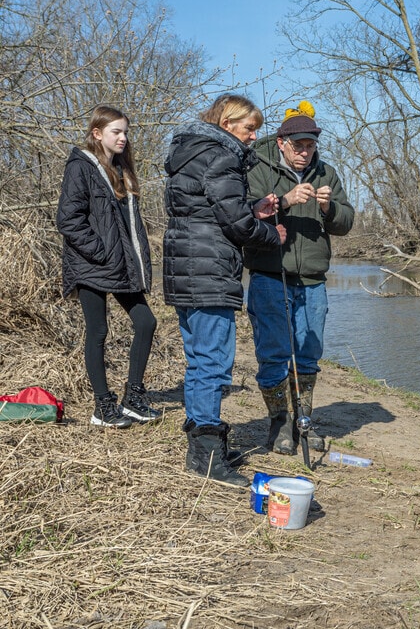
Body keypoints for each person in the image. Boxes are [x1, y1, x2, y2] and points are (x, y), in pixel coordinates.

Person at [162, 94, 286, 487]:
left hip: (186, 267)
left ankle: (205, 443)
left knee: (200, 359)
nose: (253, 137)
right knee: (213, 362)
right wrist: (271, 232)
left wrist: (252, 208)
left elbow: (209, 209)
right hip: (209, 270)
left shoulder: (190, 151)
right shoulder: (222, 155)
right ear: (228, 123)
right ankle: (205, 456)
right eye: (249, 129)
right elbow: (234, 226)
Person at [245, 101, 355, 456]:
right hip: (267, 276)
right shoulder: (257, 168)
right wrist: (286, 201)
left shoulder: (327, 173)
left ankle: (302, 423)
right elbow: (243, 214)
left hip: (313, 280)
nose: (305, 152)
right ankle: (279, 425)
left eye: (310, 145)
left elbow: (346, 222)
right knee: (274, 355)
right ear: (281, 143)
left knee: (308, 356)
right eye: (298, 146)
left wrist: (328, 208)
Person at [57, 105, 161, 429]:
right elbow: (68, 220)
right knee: (98, 331)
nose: (123, 138)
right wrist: (100, 251)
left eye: (126, 132)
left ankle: (133, 398)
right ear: (97, 133)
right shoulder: (81, 167)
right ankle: (103, 407)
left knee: (146, 322)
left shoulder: (121, 170)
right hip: (91, 264)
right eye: (117, 131)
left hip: (119, 265)